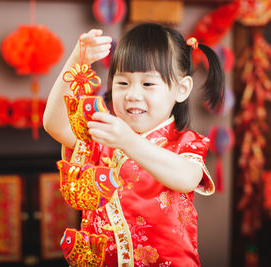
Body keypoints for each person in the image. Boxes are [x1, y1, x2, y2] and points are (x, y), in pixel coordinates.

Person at [43, 23, 225, 267]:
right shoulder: (102, 135)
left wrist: (128, 141)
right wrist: (78, 60)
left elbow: (186, 178)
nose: (132, 95)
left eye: (148, 84)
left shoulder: (185, 143)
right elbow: (54, 123)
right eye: (122, 83)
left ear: (181, 89)